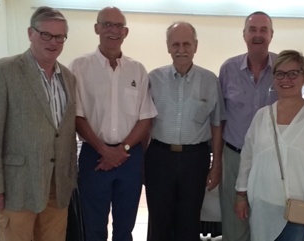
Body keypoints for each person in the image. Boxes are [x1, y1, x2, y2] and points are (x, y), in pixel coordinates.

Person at [0, 6, 77, 241]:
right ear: (31, 33)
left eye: (60, 37)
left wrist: (70, 177)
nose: (53, 42)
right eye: (46, 35)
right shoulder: (3, 71)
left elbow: (66, 133)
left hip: (56, 187)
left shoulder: (69, 78)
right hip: (16, 187)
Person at [69, 6, 157, 241]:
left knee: (125, 227)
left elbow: (146, 116)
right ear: (96, 28)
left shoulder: (137, 70)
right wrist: (104, 150)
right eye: (107, 24)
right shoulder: (79, 67)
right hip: (93, 156)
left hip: (129, 158)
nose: (113, 30)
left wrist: (122, 149)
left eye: (118, 26)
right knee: (94, 226)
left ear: (125, 32)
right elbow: (76, 116)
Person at [234, 50, 304, 241]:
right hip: (263, 205)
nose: (286, 79)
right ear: (274, 78)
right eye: (280, 74)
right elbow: (247, 157)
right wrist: (241, 195)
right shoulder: (262, 115)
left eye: (293, 73)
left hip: (299, 208)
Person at [145, 21, 224, 241]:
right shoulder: (153, 79)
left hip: (195, 159)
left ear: (196, 46)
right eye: (176, 44)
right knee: (159, 220)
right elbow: (144, 124)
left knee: (189, 222)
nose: (181, 49)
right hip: (159, 157)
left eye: (187, 44)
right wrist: (142, 160)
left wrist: (216, 165)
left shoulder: (210, 81)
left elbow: (217, 124)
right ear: (168, 47)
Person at [218, 11, 278, 241]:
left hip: (271, 159)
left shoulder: (283, 69)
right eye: (252, 29)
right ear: (244, 34)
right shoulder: (228, 70)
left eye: (263, 30)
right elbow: (220, 118)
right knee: (235, 224)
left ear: (271, 35)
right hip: (235, 156)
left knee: (267, 223)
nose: (258, 35)